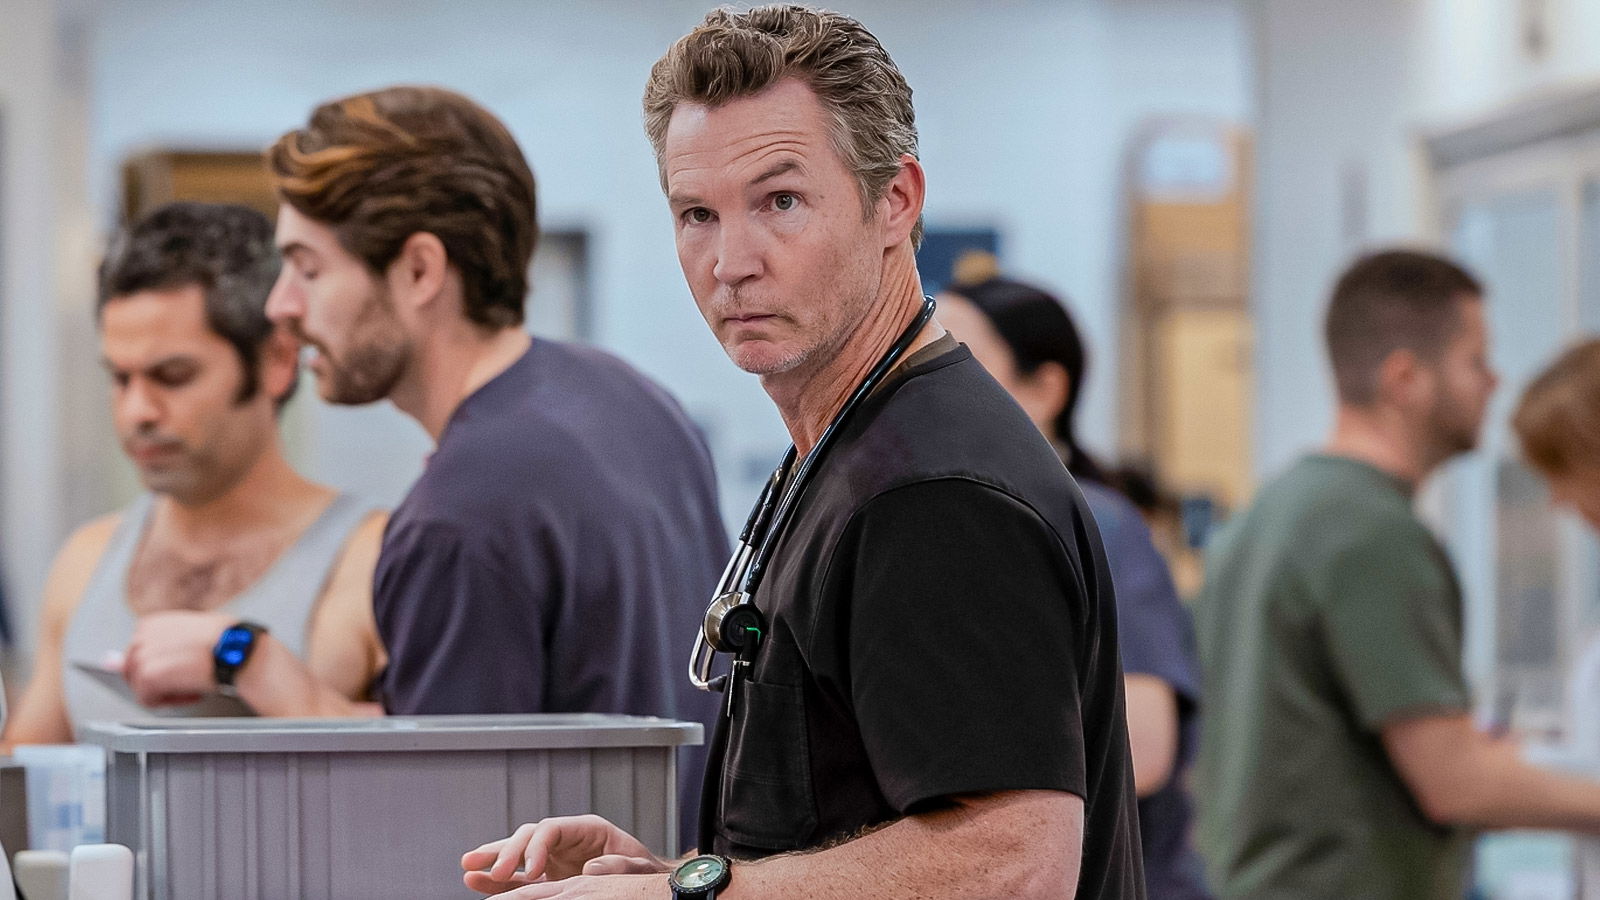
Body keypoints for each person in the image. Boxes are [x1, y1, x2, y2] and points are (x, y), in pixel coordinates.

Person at [460, 6, 1144, 899]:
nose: (731, 261)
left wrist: (684, 896)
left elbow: (1011, 869)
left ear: (895, 201)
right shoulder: (846, 446)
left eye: (780, 202)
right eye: (697, 214)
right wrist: (669, 875)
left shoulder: (933, 493)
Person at [262, 85, 726, 843]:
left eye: (307, 269)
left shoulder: (456, 518)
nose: (281, 305)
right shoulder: (635, 398)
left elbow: (448, 838)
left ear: (420, 271)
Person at [1194, 249, 1600, 900]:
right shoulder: (1371, 531)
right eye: (1476, 361)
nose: (1494, 382)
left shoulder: (1267, 516)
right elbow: (1455, 784)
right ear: (1405, 378)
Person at [0, 202, 387, 750]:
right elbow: (25, 776)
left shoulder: (372, 561)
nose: (137, 411)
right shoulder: (85, 561)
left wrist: (250, 664)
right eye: (120, 379)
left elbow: (431, 772)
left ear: (278, 361)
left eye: (172, 375)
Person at [939, 276, 1209, 900]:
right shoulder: (964, 526)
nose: (928, 390)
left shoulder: (1095, 524)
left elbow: (1143, 746)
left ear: (1046, 389)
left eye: (959, 361)